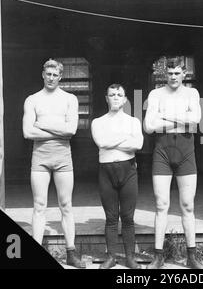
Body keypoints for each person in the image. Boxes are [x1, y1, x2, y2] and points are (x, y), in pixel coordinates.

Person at [22, 59, 85, 268]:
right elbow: (27, 132)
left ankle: (71, 253)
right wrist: (58, 127)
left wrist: (42, 124)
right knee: (39, 205)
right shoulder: (32, 100)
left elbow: (71, 130)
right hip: (39, 157)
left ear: (60, 76)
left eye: (54, 75)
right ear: (43, 74)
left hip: (63, 157)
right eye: (47, 74)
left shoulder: (70, 99)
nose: (51, 78)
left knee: (66, 205)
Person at [144, 56, 203, 269]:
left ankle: (192, 257)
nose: (173, 77)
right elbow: (149, 127)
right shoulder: (155, 94)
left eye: (177, 73)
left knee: (188, 205)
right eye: (169, 74)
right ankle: (158, 256)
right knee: (161, 205)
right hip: (162, 152)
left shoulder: (192, 93)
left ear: (184, 74)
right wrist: (181, 118)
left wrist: (165, 117)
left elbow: (195, 120)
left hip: (186, 152)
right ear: (164, 75)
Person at [91, 84, 144, 269]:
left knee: (128, 217)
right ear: (106, 98)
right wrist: (124, 138)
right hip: (106, 172)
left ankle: (130, 257)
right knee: (111, 217)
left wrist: (112, 141)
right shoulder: (98, 122)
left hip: (128, 170)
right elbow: (101, 143)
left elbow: (138, 144)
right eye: (112, 94)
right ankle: (111, 257)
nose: (115, 97)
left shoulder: (133, 122)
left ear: (124, 99)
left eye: (119, 94)